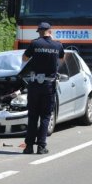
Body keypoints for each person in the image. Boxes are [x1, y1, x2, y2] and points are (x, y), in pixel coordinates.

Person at [21, 22, 64, 154]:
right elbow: (62, 59)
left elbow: (24, 59)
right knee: (45, 116)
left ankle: (28, 147)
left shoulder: (35, 44)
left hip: (34, 84)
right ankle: (41, 147)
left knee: (33, 116)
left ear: (39, 31)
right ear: (50, 31)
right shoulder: (58, 45)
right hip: (49, 85)